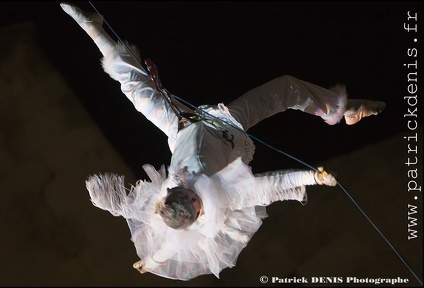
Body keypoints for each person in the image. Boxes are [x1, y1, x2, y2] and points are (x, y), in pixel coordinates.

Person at [60, 2, 386, 281]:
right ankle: (344, 109)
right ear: (198, 208)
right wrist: (312, 177)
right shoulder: (219, 196)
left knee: (135, 89)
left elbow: (169, 245)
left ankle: (93, 28)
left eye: (184, 191)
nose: (191, 188)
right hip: (227, 129)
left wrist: (150, 262)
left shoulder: (172, 196)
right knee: (287, 88)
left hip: (180, 126)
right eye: (195, 199)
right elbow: (266, 188)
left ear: (176, 194)